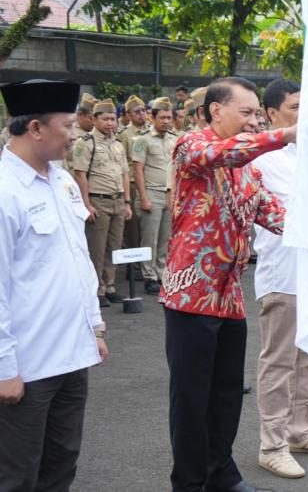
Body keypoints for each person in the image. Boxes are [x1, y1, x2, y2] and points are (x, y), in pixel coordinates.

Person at [161, 76, 296, 492]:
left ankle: (221, 473)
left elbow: (278, 216)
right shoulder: (192, 147)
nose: (255, 121)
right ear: (215, 110)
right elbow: (223, 153)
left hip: (229, 298)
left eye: (258, 114)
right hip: (191, 295)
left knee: (224, 396)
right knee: (190, 398)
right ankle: (188, 482)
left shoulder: (247, 171)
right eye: (248, 113)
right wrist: (286, 134)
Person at [0, 79, 109, 491]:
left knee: (62, 463)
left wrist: (94, 327)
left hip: (72, 354)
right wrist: (4, 367)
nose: (75, 134)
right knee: (17, 474)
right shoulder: (5, 192)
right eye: (68, 125)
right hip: (27, 366)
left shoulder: (61, 181)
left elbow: (78, 262)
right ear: (36, 129)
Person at [250, 79, 308, 481]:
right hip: (284, 274)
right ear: (272, 115)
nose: (304, 115)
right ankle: (273, 444)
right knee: (280, 362)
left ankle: (301, 430)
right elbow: (300, 211)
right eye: (295, 108)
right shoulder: (262, 158)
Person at [72, 98, 133, 308]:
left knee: (113, 247)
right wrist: (86, 204)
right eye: (105, 119)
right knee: (96, 249)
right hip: (98, 201)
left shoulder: (117, 144)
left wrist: (127, 202)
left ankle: (110, 286)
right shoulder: (85, 143)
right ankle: (96, 289)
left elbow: (125, 174)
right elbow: (80, 175)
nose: (110, 123)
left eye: (113, 119)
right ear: (94, 119)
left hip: (117, 200)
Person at [130, 97, 177, 295]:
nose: (166, 121)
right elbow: (137, 170)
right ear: (152, 117)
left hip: (168, 193)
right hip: (151, 192)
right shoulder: (142, 140)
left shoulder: (174, 138)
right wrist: (143, 198)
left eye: (169, 117)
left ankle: (161, 273)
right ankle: (149, 275)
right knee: (150, 238)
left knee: (166, 238)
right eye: (162, 117)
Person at [117, 95, 151, 273]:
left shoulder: (151, 131)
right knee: (133, 225)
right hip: (131, 181)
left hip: (149, 180)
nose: (142, 115)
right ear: (128, 115)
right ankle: (134, 263)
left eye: (144, 111)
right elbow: (120, 162)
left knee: (148, 224)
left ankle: (147, 262)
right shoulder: (124, 135)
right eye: (137, 112)